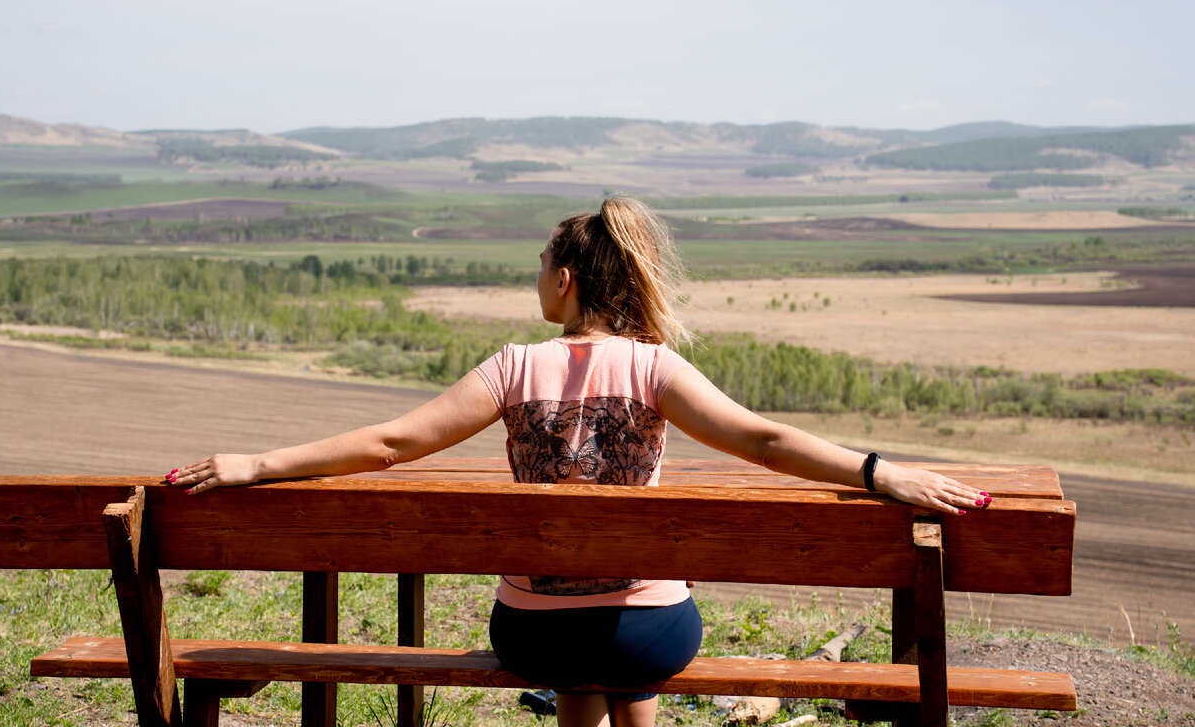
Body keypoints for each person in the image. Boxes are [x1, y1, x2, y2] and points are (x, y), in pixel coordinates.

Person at [166, 196, 991, 727]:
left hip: (533, 632)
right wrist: (882, 472)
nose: (535, 282)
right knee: (622, 644)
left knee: (574, 654)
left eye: (539, 270)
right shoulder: (658, 368)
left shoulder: (512, 368)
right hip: (651, 631)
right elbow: (766, 441)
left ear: (564, 282)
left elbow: (391, 445)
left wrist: (256, 463)